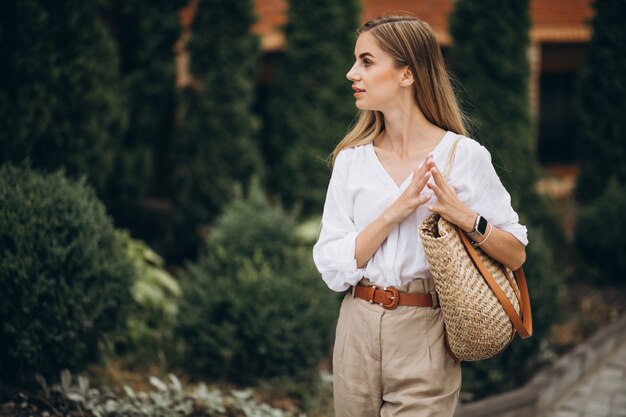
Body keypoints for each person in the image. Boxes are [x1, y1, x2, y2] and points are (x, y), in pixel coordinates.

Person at [312, 15, 528, 417]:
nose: (351, 73)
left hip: (426, 333)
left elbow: (515, 254)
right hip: (356, 328)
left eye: (366, 61)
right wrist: (395, 211)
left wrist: (464, 216)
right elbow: (330, 265)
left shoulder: (463, 157)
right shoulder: (351, 161)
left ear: (406, 74)